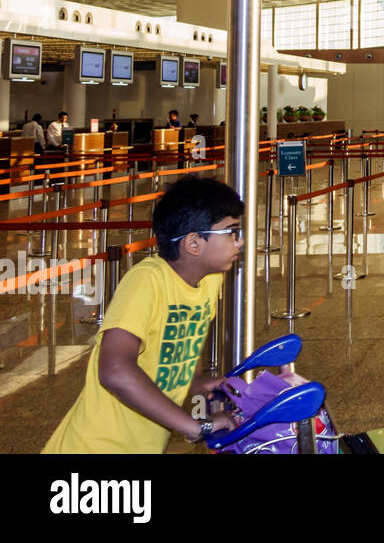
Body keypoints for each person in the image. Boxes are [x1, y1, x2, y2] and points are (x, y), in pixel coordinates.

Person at [42, 175, 242, 453]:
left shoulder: (209, 280)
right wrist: (195, 426)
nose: (239, 242)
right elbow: (114, 371)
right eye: (231, 232)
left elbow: (177, 346)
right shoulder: (146, 281)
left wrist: (195, 382)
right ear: (193, 243)